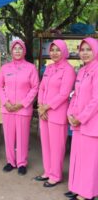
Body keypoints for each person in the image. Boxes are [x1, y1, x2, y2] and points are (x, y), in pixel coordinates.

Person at [35, 40, 76, 188]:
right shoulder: (49, 68)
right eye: (52, 50)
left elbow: (64, 94)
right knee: (45, 144)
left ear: (64, 51)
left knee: (56, 146)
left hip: (57, 114)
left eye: (58, 50)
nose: (54, 53)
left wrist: (46, 107)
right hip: (43, 113)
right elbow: (41, 88)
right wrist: (40, 106)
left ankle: (56, 175)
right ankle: (48, 171)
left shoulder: (68, 70)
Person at [0, 39, 39, 175]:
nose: (17, 51)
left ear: (24, 51)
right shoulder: (5, 68)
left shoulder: (30, 68)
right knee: (9, 136)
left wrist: (23, 103)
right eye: (15, 48)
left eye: (20, 48)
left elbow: (35, 87)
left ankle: (22, 163)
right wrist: (5, 102)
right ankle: (11, 162)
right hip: (7, 108)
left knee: (22, 136)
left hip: (23, 109)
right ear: (11, 51)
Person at [66, 37, 98, 200]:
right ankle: (76, 187)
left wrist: (81, 117)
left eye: (88, 49)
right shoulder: (83, 70)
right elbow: (76, 94)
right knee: (78, 157)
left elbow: (96, 100)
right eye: (82, 50)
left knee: (89, 160)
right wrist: (70, 114)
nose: (85, 53)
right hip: (77, 121)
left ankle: (86, 193)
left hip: (91, 123)